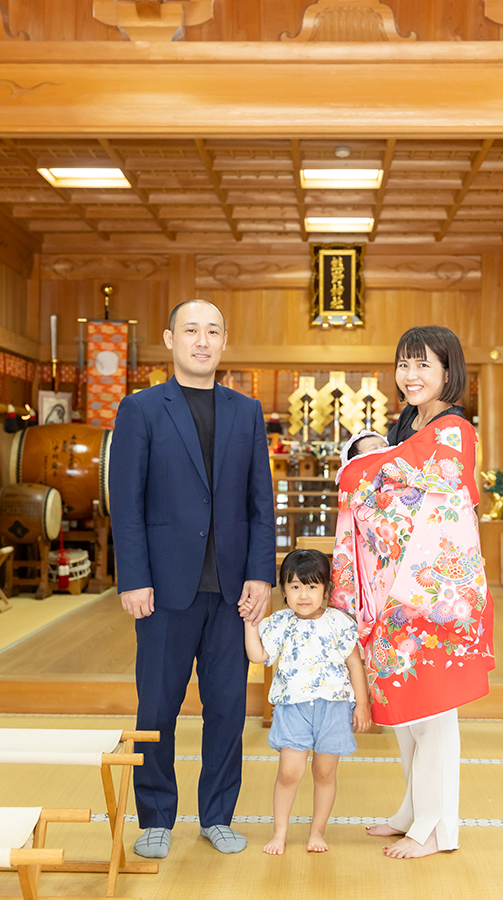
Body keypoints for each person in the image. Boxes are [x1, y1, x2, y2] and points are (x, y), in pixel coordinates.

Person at [109, 299, 276, 858]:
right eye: (190, 331)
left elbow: (260, 503)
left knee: (228, 706)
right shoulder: (141, 409)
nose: (201, 341)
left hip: (231, 591)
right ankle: (155, 815)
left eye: (212, 332)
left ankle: (217, 814)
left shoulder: (246, 410)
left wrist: (261, 575)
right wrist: (132, 577)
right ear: (169, 339)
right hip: (163, 588)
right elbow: (126, 503)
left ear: (224, 341)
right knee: (156, 705)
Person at [330, 325, 494, 860]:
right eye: (404, 364)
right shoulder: (408, 425)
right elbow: (389, 486)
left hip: (430, 593)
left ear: (449, 370)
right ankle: (411, 810)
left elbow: (432, 504)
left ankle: (438, 827)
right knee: (405, 711)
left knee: (435, 713)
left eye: (424, 364)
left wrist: (361, 470)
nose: (411, 375)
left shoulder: (453, 430)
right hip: (394, 592)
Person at [243, 548, 371, 855]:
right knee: (289, 772)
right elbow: (259, 656)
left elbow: (355, 665)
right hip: (293, 707)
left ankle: (317, 831)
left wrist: (363, 704)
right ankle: (280, 832)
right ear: (284, 590)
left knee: (324, 773)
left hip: (334, 707)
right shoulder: (278, 623)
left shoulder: (340, 623)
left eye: (312, 586)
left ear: (326, 590)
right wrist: (250, 623)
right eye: (295, 586)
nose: (303, 594)